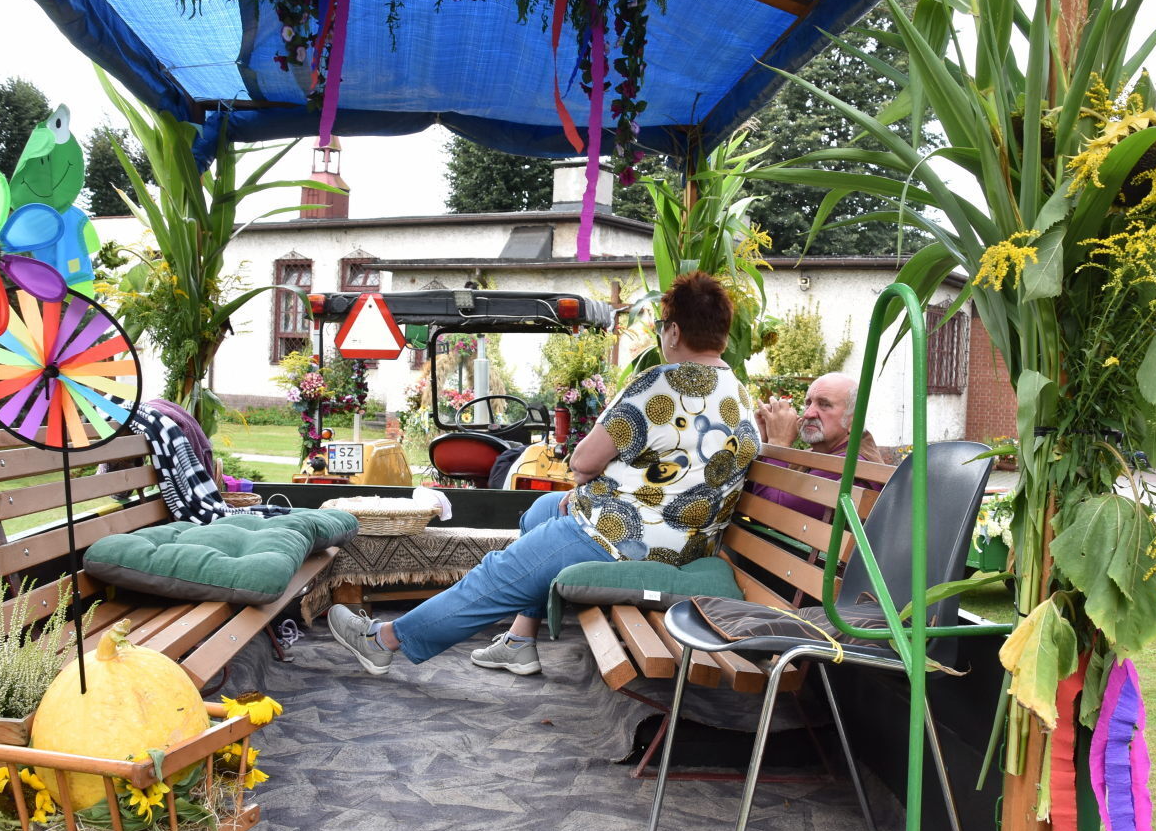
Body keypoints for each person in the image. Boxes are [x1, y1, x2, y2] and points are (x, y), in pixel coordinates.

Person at [327, 272, 761, 677]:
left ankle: (383, 640)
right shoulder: (740, 395)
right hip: (686, 542)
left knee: (498, 572)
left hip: (622, 540)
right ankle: (520, 639)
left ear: (674, 331)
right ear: (722, 335)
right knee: (542, 510)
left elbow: (584, 463)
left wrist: (588, 489)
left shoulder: (660, 384)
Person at [751, 372, 883, 517]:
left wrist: (778, 442)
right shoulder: (820, 455)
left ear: (854, 421)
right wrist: (765, 442)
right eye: (808, 403)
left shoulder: (850, 463)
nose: (808, 414)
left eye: (824, 404)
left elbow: (765, 513)